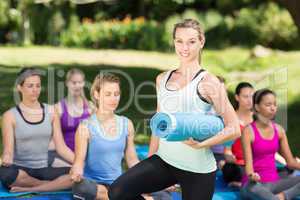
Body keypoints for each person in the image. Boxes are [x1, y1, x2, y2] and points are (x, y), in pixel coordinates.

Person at [108, 18, 240, 200]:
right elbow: (159, 124)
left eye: (191, 42)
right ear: (174, 42)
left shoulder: (208, 82)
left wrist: (203, 143)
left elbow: (234, 128)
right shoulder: (162, 79)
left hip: (197, 169)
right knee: (118, 191)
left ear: (201, 42)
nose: (184, 47)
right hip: (165, 161)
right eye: (179, 41)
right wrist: (150, 159)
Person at [70, 73, 169, 200]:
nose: (113, 99)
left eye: (116, 94)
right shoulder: (85, 127)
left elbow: (132, 160)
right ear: (96, 94)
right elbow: (78, 162)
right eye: (108, 94)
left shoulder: (126, 124)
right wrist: (76, 171)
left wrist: (153, 180)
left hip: (119, 184)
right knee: (81, 187)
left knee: (163, 194)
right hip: (95, 186)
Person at [0, 68, 74, 192]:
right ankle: (49, 185)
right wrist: (6, 158)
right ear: (19, 87)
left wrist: (80, 162)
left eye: (38, 86)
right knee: (6, 174)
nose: (35, 90)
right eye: (30, 86)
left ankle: (30, 188)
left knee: (76, 174)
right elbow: (8, 150)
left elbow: (61, 147)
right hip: (20, 171)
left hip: (44, 169)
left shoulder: (51, 111)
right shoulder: (10, 116)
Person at [241, 88, 300, 200]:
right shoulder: (248, 131)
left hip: (275, 183)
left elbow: (291, 162)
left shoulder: (279, 130)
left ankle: (283, 196)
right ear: (257, 107)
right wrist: (252, 175)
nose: (273, 108)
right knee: (258, 190)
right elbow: (248, 168)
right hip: (253, 185)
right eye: (268, 104)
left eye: (274, 104)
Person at [48, 68, 93, 167]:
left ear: (84, 83)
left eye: (80, 82)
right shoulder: (58, 108)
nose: (77, 86)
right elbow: (52, 138)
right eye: (74, 82)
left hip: (85, 155)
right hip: (64, 156)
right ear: (67, 83)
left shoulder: (90, 107)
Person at [221, 82, 254, 185]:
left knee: (286, 170)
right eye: (245, 96)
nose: (250, 100)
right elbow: (227, 151)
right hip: (239, 165)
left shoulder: (259, 118)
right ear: (237, 97)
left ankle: (244, 183)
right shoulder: (231, 119)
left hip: (258, 164)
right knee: (229, 169)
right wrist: (231, 161)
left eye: (252, 96)